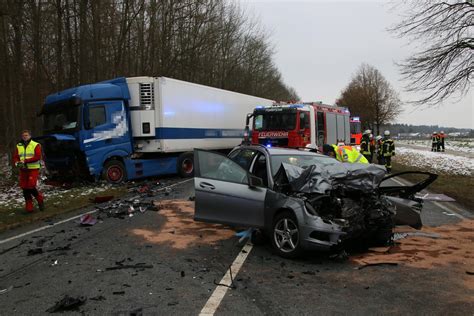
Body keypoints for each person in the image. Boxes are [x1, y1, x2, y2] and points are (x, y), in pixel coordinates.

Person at [13, 130, 44, 213]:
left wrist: (26, 161)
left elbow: (37, 157)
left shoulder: (35, 144)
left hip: (33, 168)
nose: (25, 137)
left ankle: (40, 200)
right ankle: (29, 208)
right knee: (24, 187)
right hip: (23, 169)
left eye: (26, 135)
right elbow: (16, 156)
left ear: (30, 136)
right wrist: (16, 163)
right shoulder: (18, 145)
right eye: (23, 135)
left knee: (30, 186)